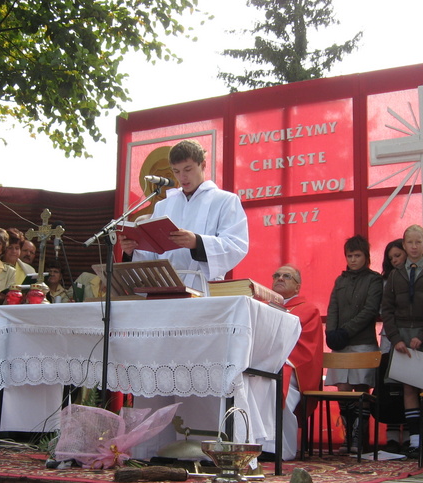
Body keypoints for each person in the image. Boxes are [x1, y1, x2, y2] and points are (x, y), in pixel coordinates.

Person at [120, 139, 249, 290]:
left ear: (203, 165)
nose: (182, 177)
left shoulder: (225, 200)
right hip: (165, 287)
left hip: (204, 286)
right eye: (176, 171)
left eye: (188, 169)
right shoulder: (163, 206)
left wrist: (197, 242)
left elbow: (236, 245)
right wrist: (132, 251)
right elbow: (153, 253)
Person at [381, 225, 423, 459]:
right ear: (404, 245)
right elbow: (387, 310)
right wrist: (396, 338)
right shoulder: (395, 274)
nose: (414, 246)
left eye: (419, 242)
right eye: (410, 242)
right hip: (402, 337)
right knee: (408, 388)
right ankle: (414, 442)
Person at [325, 234, 383, 453]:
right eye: (349, 256)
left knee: (361, 389)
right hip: (340, 344)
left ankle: (360, 435)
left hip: (363, 342)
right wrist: (330, 332)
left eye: (357, 255)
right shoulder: (340, 280)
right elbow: (332, 308)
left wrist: (346, 331)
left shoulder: (374, 279)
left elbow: (370, 310)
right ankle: (348, 433)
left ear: (366, 256)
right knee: (342, 389)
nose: (353, 260)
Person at [270, 264, 323, 460]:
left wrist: (277, 359)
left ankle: (278, 448)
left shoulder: (309, 310)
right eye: (277, 275)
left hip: (291, 367)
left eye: (287, 276)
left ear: (298, 287)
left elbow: (308, 347)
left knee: (275, 382)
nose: (280, 278)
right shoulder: (262, 307)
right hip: (265, 363)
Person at [378, 239, 408, 453]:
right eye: (391, 258)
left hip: (409, 337)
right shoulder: (385, 280)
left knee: (409, 385)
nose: (395, 260)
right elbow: (384, 310)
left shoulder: (416, 275)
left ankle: (408, 435)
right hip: (389, 339)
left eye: (398, 255)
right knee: (390, 389)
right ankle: (391, 436)